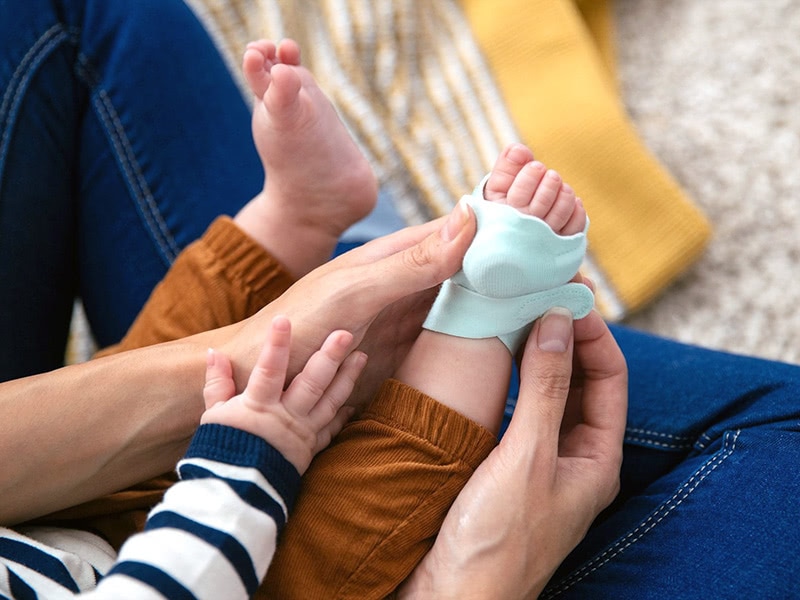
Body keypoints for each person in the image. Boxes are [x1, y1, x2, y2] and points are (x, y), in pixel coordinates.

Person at [0, 316, 366, 597]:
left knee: (159, 360)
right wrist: (248, 457)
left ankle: (273, 242)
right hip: (214, 540)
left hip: (52, 512)